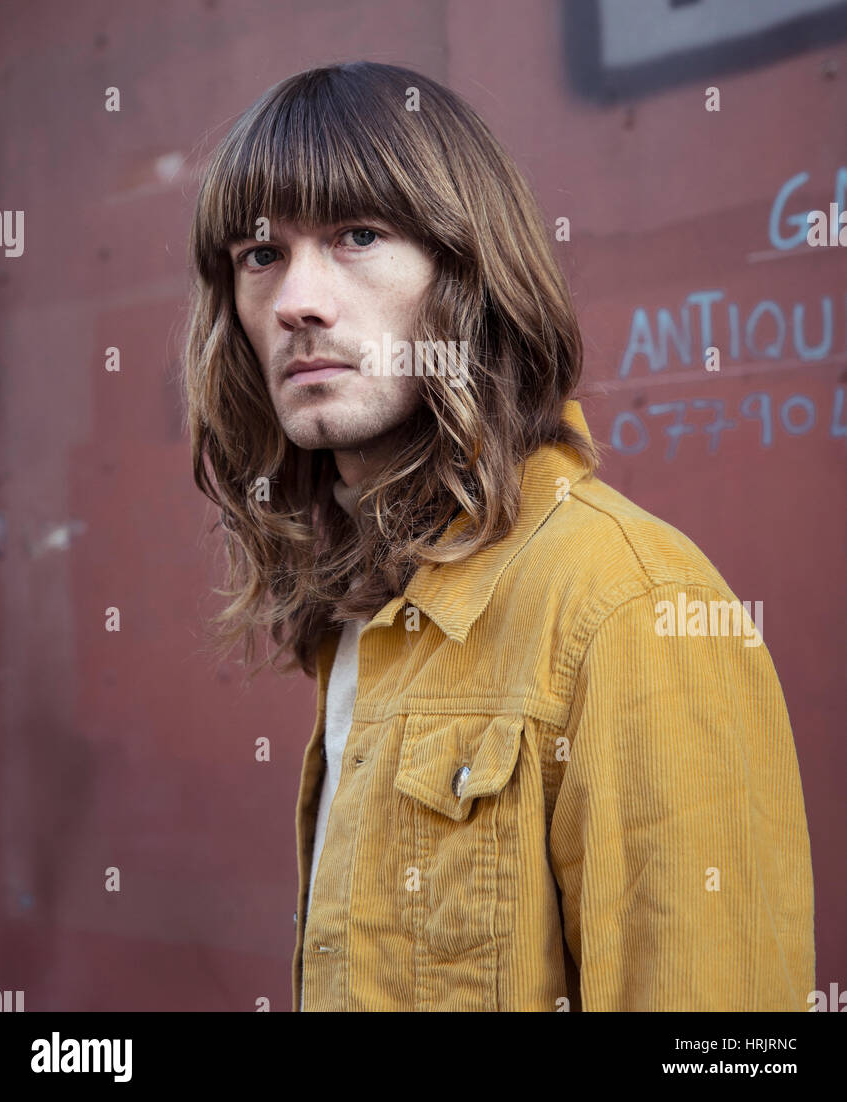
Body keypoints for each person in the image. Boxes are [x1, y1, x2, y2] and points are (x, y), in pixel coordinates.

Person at [183, 60, 814, 1012]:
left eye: (357, 236)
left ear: (468, 277)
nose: (295, 302)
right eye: (260, 255)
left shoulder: (634, 606)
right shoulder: (366, 611)